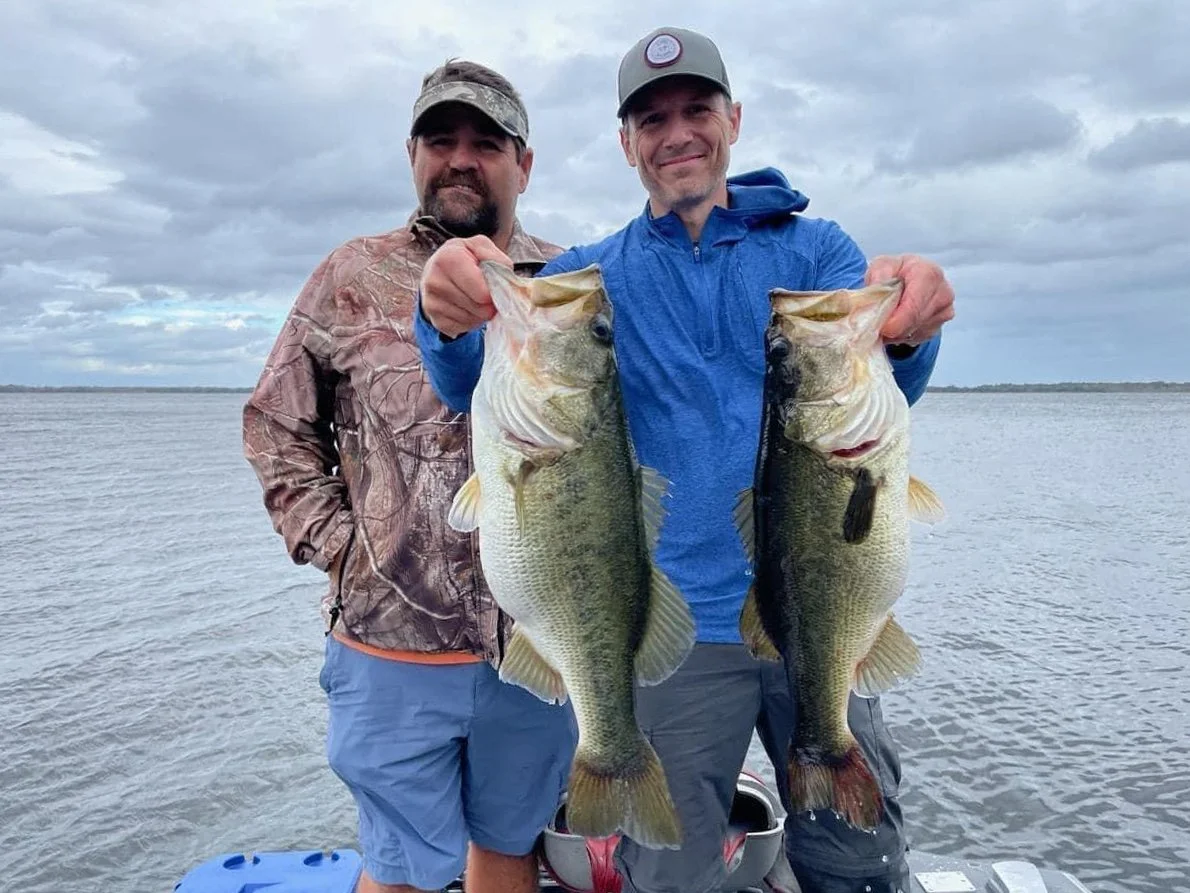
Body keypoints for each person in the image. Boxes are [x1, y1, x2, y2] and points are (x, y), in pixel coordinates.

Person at [413, 27, 956, 893]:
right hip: (678, 630)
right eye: (651, 119)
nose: (677, 134)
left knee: (857, 856)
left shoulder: (814, 254)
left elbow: (881, 385)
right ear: (626, 144)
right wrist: (442, 316)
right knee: (668, 868)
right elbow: (471, 378)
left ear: (733, 119)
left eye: (696, 109)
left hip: (815, 607)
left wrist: (916, 324)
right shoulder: (594, 277)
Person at [242, 59, 578, 893]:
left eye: (486, 142)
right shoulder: (350, 275)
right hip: (388, 645)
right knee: (399, 867)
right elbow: (275, 423)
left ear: (523, 164)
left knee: (509, 845)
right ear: (412, 155)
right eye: (441, 139)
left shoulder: (569, 282)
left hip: (538, 638)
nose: (461, 158)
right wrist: (341, 548)